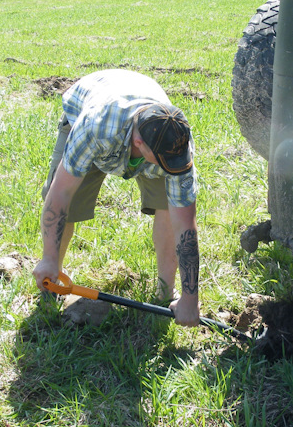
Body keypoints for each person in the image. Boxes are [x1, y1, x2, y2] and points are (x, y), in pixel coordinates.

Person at [32, 69, 201, 327]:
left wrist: (191, 297)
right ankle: (52, 277)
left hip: (140, 110)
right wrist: (48, 259)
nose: (171, 167)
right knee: (71, 206)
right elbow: (61, 194)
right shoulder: (94, 128)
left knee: (168, 206)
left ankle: (166, 291)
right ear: (138, 142)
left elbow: (184, 225)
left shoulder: (175, 143)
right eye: (165, 162)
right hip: (92, 111)